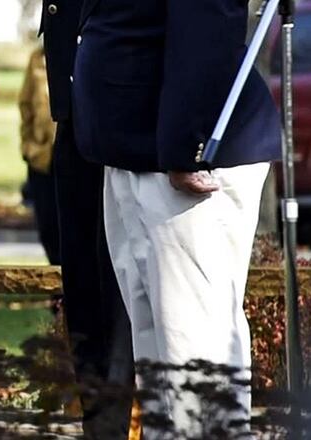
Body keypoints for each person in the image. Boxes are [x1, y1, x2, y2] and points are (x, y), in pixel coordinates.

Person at [72, 0, 282, 436]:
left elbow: (206, 18)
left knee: (194, 357)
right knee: (159, 368)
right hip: (133, 148)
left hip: (180, 155)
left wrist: (188, 143)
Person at [39, 1, 135, 437]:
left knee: (122, 298)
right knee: (85, 294)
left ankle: (121, 426)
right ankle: (101, 428)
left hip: (126, 116)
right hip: (74, 118)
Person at [19, 47, 60, 265]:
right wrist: (29, 146)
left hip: (76, 157)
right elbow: (25, 105)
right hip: (43, 158)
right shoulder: (37, 58)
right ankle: (56, 292)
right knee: (48, 226)